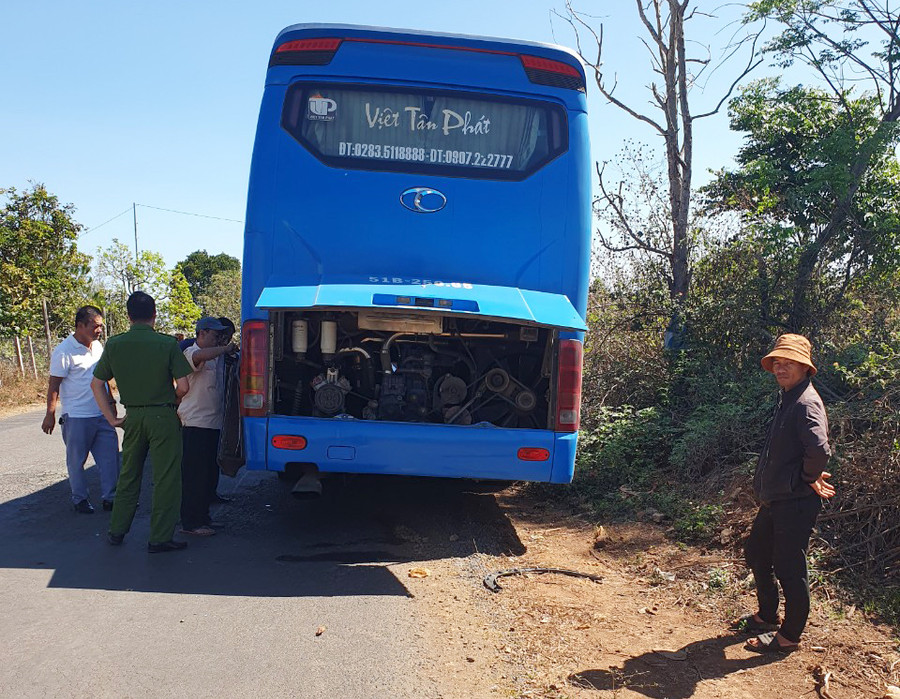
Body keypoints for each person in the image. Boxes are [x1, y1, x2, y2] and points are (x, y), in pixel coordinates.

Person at [735, 334, 836, 654]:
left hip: (795, 501)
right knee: (757, 553)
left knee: (789, 566)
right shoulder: (789, 396)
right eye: (777, 362)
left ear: (805, 367)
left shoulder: (805, 402)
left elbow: (819, 450)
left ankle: (789, 636)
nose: (780, 368)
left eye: (788, 363)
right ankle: (767, 616)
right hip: (778, 497)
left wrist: (807, 477)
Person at [90, 291, 195, 553]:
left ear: (128, 316)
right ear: (154, 314)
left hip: (133, 416)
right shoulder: (166, 344)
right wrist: (172, 399)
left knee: (129, 475)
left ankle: (117, 530)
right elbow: (183, 386)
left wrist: (112, 418)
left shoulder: (114, 344)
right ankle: (159, 537)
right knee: (166, 478)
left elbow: (96, 384)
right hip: (163, 415)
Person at [41, 306, 120, 514]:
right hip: (76, 416)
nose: (99, 330)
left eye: (101, 326)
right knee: (76, 461)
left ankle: (111, 498)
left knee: (110, 458)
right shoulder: (64, 351)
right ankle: (80, 499)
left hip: (101, 414)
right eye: (95, 326)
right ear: (80, 325)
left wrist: (111, 404)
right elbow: (54, 386)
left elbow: (104, 380)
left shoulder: (98, 347)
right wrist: (50, 414)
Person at [178, 317, 236, 536]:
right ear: (202, 333)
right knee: (194, 476)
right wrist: (225, 348)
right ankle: (190, 523)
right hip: (195, 423)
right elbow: (198, 357)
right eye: (214, 334)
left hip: (213, 424)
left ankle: (203, 518)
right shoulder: (191, 352)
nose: (219, 338)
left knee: (207, 475)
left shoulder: (217, 356)